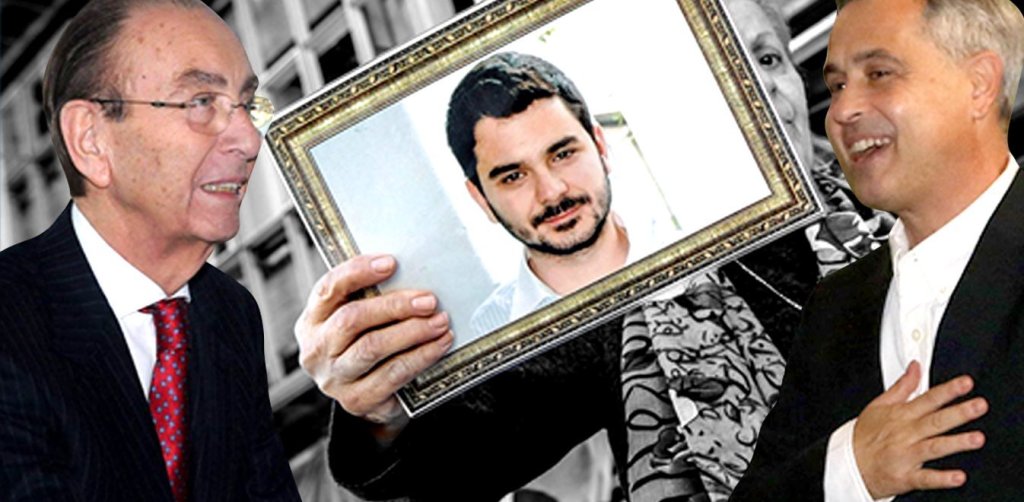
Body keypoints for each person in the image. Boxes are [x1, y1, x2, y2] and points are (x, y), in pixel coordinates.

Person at [294, 0, 879, 500]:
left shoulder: (895, 205)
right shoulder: (627, 295)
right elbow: (451, 464)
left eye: (766, 57)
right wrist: (375, 407)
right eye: (717, 61)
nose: (751, 84)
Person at [0, 0, 300, 500]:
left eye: (248, 106)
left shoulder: (230, 312)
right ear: (91, 140)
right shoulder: (11, 316)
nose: (249, 140)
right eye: (200, 102)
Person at [731, 0, 1024, 500]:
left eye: (879, 74)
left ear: (978, 84)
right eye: (837, 85)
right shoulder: (834, 306)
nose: (842, 111)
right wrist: (853, 466)